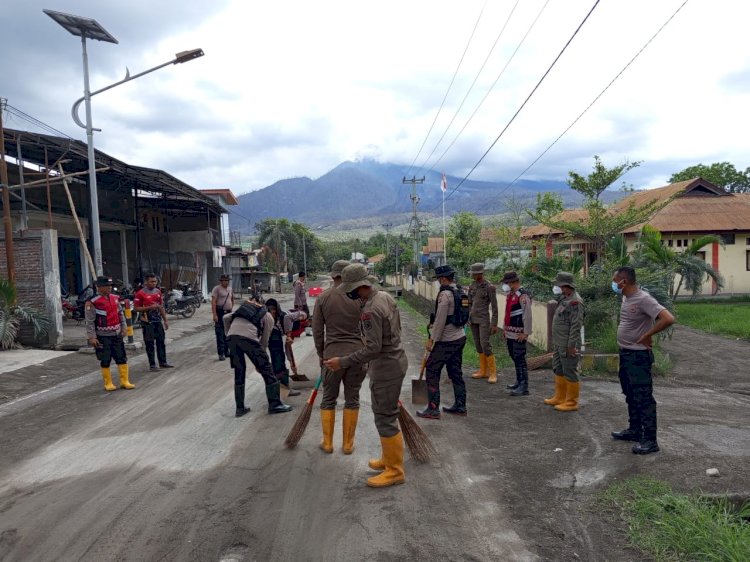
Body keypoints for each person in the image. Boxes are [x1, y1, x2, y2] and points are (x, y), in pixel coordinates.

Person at [324, 263, 408, 488]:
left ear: (358, 287)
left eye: (350, 291)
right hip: (395, 362)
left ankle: (395, 471)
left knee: (384, 417)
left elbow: (373, 349)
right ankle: (389, 459)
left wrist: (342, 362)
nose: (349, 295)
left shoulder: (370, 310)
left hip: (386, 367)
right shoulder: (384, 297)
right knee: (385, 414)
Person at [611, 266, 674, 455]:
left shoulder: (644, 299)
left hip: (638, 356)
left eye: (615, 280)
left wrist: (648, 334)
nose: (613, 283)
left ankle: (650, 440)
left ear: (625, 281)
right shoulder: (626, 297)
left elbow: (668, 318)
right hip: (626, 354)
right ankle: (635, 430)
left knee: (644, 398)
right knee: (630, 394)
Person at [313, 260, 367, 455]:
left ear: (333, 275)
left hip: (332, 356)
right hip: (357, 355)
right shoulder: (360, 297)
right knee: (352, 398)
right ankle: (347, 444)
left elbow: (318, 331)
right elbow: (368, 328)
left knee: (328, 399)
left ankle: (327, 443)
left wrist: (321, 354)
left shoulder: (323, 298)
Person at [224, 296, 293, 417]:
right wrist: (261, 361)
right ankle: (275, 404)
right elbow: (264, 341)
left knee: (239, 371)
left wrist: (229, 334)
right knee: (268, 371)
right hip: (248, 339)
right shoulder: (268, 316)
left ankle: (240, 408)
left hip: (231, 338)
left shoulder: (244, 309)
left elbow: (226, 317)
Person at [417, 265, 468, 419]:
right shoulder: (460, 291)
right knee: (455, 372)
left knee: (432, 370)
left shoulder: (445, 295)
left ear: (443, 278)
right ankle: (460, 406)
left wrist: (432, 340)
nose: (439, 282)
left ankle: (433, 409)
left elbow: (440, 321)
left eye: (439, 279)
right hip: (460, 337)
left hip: (446, 340)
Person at [85, 276, 135, 391]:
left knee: (121, 357)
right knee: (105, 359)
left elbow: (120, 314)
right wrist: (92, 337)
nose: (109, 288)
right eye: (106, 286)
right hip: (102, 335)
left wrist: (124, 328)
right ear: (99, 287)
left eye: (110, 285)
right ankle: (108, 383)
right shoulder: (92, 301)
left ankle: (124, 381)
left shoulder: (115, 298)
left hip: (116, 334)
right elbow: (90, 321)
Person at [544, 272, 584, 412]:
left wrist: (572, 345)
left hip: (568, 344)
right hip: (559, 342)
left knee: (570, 371)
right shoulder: (564, 298)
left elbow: (575, 325)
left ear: (567, 286)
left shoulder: (575, 302)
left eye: (561, 286)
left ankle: (572, 402)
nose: (559, 288)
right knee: (559, 368)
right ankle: (560, 397)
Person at [264, 298, 305, 397]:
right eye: (270, 310)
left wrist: (302, 316)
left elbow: (302, 314)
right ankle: (281, 388)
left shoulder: (285, 317)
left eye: (273, 310)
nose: (272, 313)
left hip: (277, 335)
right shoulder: (265, 319)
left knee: (280, 360)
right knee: (277, 361)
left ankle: (283, 387)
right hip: (271, 337)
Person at [502, 271, 533, 396]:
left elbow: (527, 315)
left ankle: (524, 385)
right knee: (514, 356)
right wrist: (505, 328)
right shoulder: (511, 295)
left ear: (514, 282)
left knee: (520, 359)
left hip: (519, 333)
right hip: (510, 332)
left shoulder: (523, 296)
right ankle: (518, 381)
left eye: (507, 282)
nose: (506, 285)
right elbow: (508, 313)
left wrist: (526, 333)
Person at [467, 263, 500, 383]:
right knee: (478, 345)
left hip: (484, 320)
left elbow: (495, 307)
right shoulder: (472, 286)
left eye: (474, 274)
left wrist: (494, 324)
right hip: (473, 319)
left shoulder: (489, 287)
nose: (472, 276)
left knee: (485, 344)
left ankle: (492, 373)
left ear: (480, 274)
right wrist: (467, 316)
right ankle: (483, 371)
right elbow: (468, 303)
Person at [134, 273, 174, 371]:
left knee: (161, 342)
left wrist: (165, 320)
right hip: (147, 322)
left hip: (157, 321)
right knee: (150, 343)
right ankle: (152, 365)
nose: (154, 283)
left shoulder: (158, 291)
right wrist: (149, 307)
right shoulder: (140, 293)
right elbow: (136, 309)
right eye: (152, 281)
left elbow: (160, 307)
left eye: (155, 281)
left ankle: (163, 362)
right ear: (146, 282)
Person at [211, 274, 234, 361]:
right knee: (220, 333)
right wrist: (214, 314)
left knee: (227, 333)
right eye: (224, 280)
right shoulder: (216, 289)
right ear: (221, 281)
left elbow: (232, 299)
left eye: (227, 280)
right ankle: (221, 353)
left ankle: (226, 351)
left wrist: (231, 309)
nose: (226, 282)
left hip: (228, 313)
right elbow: (213, 302)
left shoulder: (230, 289)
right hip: (220, 313)